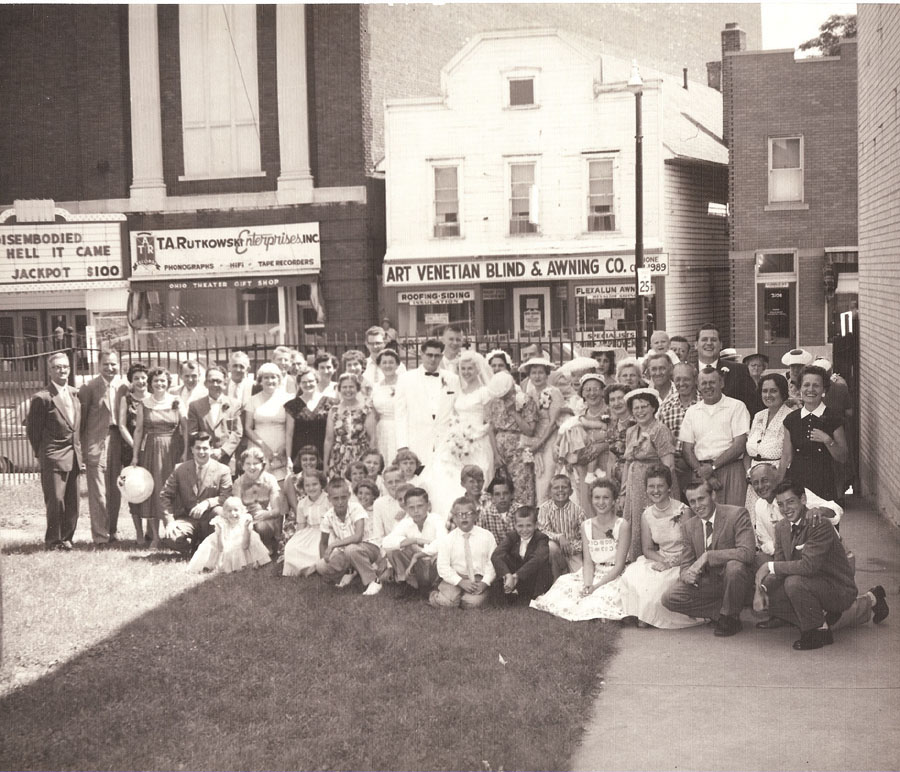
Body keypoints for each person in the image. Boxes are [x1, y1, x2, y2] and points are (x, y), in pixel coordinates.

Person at [755, 480, 888, 649]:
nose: (786, 509)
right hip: (811, 585)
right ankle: (828, 617)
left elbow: (808, 566)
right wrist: (761, 589)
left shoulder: (819, 524)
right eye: (781, 504)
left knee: (793, 583)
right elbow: (782, 566)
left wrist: (768, 566)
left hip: (836, 587)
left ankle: (819, 631)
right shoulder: (781, 527)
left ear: (803, 499)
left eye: (790, 502)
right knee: (777, 591)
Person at [661, 480, 755, 636]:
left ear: (713, 495)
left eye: (701, 498)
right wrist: (687, 575)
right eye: (692, 501)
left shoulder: (737, 514)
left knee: (734, 567)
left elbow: (747, 553)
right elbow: (686, 564)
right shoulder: (689, 526)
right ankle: (724, 612)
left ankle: (729, 617)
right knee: (669, 598)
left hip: (734, 579)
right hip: (707, 582)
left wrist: (708, 556)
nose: (697, 505)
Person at [617, 466, 704, 628]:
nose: (655, 490)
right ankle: (638, 614)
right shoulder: (647, 514)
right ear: (646, 489)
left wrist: (671, 563)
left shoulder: (683, 511)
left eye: (660, 486)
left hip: (683, 561)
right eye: (651, 486)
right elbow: (648, 549)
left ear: (669, 488)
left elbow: (691, 547)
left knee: (657, 588)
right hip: (661, 557)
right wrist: (663, 560)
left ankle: (648, 616)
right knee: (632, 575)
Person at [530, 479, 629, 621]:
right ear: (591, 499)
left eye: (606, 497)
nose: (601, 502)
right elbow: (588, 562)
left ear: (614, 500)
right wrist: (588, 584)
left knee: (597, 599)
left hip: (614, 575)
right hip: (594, 572)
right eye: (597, 497)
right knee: (564, 585)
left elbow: (619, 565)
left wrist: (596, 586)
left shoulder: (622, 525)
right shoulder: (586, 525)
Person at [419, 350, 494, 519]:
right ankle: (447, 514)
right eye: (463, 369)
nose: (466, 372)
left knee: (475, 478)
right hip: (456, 440)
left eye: (470, 369)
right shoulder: (459, 391)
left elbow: (489, 422)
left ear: (478, 370)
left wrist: (473, 435)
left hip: (478, 440)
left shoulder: (485, 392)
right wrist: (456, 435)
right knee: (443, 473)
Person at [26, 352, 82, 551]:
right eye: (57, 367)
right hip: (53, 455)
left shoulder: (75, 393)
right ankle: (53, 540)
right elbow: (33, 430)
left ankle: (67, 538)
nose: (62, 370)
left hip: (73, 454)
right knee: (56, 500)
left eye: (65, 366)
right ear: (50, 370)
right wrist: (43, 453)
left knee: (73, 501)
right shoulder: (42, 398)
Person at [131, 367, 186, 548]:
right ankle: (155, 536)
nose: (159, 384)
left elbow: (184, 429)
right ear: (150, 383)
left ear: (168, 383)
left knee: (173, 490)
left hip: (173, 449)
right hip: (152, 451)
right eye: (156, 381)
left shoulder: (177, 401)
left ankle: (174, 533)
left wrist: (185, 452)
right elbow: (139, 430)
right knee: (154, 490)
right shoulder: (144, 404)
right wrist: (135, 456)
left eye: (163, 380)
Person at [680, 367, 750, 507]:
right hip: (701, 472)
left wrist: (712, 467)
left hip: (731, 470)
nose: (708, 387)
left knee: (734, 516)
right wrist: (704, 472)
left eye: (712, 382)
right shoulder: (692, 412)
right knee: (704, 518)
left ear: (721, 383)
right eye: (704, 383)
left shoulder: (736, 406)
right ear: (698, 386)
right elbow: (687, 450)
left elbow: (739, 445)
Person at [621, 387, 677, 561]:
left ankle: (653, 560)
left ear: (653, 407)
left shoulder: (660, 430)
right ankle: (634, 560)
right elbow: (628, 462)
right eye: (636, 408)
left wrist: (659, 489)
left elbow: (668, 465)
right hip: (634, 484)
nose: (640, 411)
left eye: (644, 406)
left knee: (652, 521)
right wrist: (623, 492)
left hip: (653, 484)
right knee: (634, 521)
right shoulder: (631, 431)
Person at [747, 463, 842, 561]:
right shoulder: (759, 505)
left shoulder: (793, 494)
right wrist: (784, 553)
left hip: (816, 555)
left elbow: (835, 509)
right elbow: (765, 540)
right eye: (755, 483)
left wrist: (819, 511)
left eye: (765, 480)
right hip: (785, 556)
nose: (760, 486)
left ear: (775, 477)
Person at [781, 365, 849, 502]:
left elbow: (843, 457)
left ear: (824, 389)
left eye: (816, 385)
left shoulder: (833, 418)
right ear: (800, 388)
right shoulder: (791, 419)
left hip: (824, 486)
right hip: (796, 486)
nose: (810, 390)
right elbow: (786, 457)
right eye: (806, 385)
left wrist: (827, 440)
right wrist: (778, 486)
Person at [79, 349, 125, 545]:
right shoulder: (89, 387)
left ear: (119, 365)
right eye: (106, 364)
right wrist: (83, 448)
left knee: (115, 488)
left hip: (117, 439)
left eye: (113, 364)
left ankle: (112, 531)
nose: (110, 367)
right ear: (99, 365)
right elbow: (80, 422)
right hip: (96, 441)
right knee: (98, 490)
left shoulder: (124, 387)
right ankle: (100, 535)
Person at [160, 432, 233, 556]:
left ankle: (210, 547)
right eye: (198, 448)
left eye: (205, 448)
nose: (201, 452)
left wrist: (208, 503)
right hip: (188, 519)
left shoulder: (223, 470)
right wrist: (170, 522)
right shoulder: (180, 469)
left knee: (221, 514)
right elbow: (165, 495)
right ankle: (193, 549)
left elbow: (226, 496)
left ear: (211, 449)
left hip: (211, 519)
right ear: (192, 450)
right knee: (170, 537)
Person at [395, 339, 460, 469]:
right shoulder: (406, 379)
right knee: (419, 481)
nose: (433, 359)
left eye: (437, 356)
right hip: (417, 442)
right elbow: (400, 415)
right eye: (429, 355)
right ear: (422, 355)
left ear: (441, 356)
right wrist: (402, 445)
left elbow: (456, 411)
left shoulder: (452, 379)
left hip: (445, 443)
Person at [314, 477, 383, 595]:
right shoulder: (328, 516)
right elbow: (323, 542)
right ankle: (350, 571)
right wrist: (325, 559)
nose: (340, 502)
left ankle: (374, 580)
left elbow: (358, 537)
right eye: (335, 498)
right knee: (320, 566)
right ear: (329, 498)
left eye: (343, 497)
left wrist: (334, 545)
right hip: (347, 551)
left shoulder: (356, 508)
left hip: (369, 548)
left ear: (349, 495)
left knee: (351, 549)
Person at [428, 497, 497, 609]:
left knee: (471, 604)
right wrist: (460, 582)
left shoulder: (487, 536)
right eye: (459, 514)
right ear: (454, 518)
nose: (464, 517)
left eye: (468, 513)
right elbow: (443, 567)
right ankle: (437, 594)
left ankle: (467, 597)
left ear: (476, 515)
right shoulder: (447, 540)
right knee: (447, 603)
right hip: (456, 577)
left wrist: (485, 582)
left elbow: (492, 562)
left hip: (478, 578)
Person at [743, 373, 794, 512]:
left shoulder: (791, 416)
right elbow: (748, 451)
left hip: (776, 482)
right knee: (755, 524)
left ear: (782, 392)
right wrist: (749, 473)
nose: (768, 395)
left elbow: (787, 455)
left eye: (773, 391)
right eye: (765, 391)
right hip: (754, 483)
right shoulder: (759, 416)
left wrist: (777, 483)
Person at [487, 370, 537, 507]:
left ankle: (525, 519)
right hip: (501, 450)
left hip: (519, 449)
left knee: (522, 486)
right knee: (503, 489)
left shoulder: (525, 401)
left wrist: (513, 412)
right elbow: (491, 429)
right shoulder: (493, 403)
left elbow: (530, 430)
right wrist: (496, 455)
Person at [382, 487, 445, 595]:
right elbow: (386, 542)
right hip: (416, 567)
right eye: (411, 507)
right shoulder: (406, 523)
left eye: (420, 506)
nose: (416, 511)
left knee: (440, 555)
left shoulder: (436, 519)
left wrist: (419, 554)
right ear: (406, 508)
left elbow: (443, 542)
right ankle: (408, 584)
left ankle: (435, 587)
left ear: (428, 505)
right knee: (393, 551)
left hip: (433, 565)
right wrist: (413, 540)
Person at [188, 496, 271, 573]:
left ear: (242, 511)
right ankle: (219, 564)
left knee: (251, 538)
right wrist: (220, 533)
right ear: (224, 513)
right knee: (213, 543)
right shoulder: (222, 523)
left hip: (243, 542)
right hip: (224, 545)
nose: (232, 513)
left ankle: (247, 563)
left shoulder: (245, 521)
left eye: (236, 510)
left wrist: (246, 529)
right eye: (229, 510)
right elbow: (221, 548)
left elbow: (245, 546)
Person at [520, 357, 563, 503]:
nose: (537, 376)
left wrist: (540, 444)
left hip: (549, 439)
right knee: (533, 479)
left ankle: (545, 511)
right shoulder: (529, 394)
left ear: (547, 374)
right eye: (533, 373)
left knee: (545, 479)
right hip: (533, 439)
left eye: (541, 373)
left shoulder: (553, 392)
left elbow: (553, 422)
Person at [695, 323, 761, 416]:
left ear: (721, 345)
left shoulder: (739, 371)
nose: (709, 343)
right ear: (696, 345)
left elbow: (753, 406)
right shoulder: (687, 372)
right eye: (704, 339)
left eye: (713, 340)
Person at [491, 506, 552, 605]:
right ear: (515, 526)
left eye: (529, 525)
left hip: (532, 578)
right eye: (520, 526)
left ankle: (537, 595)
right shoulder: (512, 536)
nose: (524, 530)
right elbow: (496, 555)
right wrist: (508, 575)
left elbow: (539, 558)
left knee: (541, 563)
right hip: (514, 578)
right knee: (502, 558)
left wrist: (516, 576)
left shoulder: (541, 538)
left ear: (536, 525)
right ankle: (508, 592)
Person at [657, 362, 699, 499]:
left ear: (695, 379)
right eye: (678, 379)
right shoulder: (666, 406)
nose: (682, 383)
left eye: (686, 379)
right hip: (675, 466)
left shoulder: (704, 402)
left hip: (698, 464)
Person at [118, 362, 150, 542]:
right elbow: (122, 425)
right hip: (131, 451)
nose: (140, 381)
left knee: (152, 489)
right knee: (134, 490)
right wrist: (135, 447)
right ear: (131, 380)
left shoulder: (153, 398)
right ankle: (139, 533)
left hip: (151, 450)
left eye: (143, 378)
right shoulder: (126, 399)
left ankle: (152, 532)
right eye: (136, 378)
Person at [187, 365, 243, 466]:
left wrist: (222, 451)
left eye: (218, 381)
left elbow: (237, 433)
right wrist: (205, 449)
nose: (215, 384)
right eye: (211, 381)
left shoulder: (234, 405)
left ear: (225, 383)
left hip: (228, 458)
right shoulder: (195, 406)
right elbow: (193, 432)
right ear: (205, 383)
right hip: (203, 458)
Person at [323, 373, 375, 480]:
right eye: (344, 387)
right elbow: (328, 439)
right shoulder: (334, 411)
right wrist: (325, 464)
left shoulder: (366, 410)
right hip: (339, 456)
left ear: (357, 388)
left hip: (360, 455)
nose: (348, 390)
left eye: (351, 387)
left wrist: (371, 461)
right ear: (339, 389)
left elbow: (373, 438)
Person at [231, 446, 282, 556]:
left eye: (255, 463)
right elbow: (237, 508)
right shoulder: (238, 483)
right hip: (246, 519)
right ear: (242, 466)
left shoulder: (270, 480)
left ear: (263, 465)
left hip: (266, 520)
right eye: (248, 463)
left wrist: (267, 513)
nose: (252, 467)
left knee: (262, 526)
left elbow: (278, 510)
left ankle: (268, 544)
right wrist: (247, 518)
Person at [244, 363, 290, 482]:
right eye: (266, 377)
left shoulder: (288, 399)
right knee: (260, 484)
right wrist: (264, 447)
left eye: (273, 377)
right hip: (258, 447)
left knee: (282, 485)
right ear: (260, 380)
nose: (270, 380)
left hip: (281, 448)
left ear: (279, 379)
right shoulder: (252, 400)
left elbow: (292, 427)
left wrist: (284, 446)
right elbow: (248, 428)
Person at [537, 475, 586, 580]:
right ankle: (557, 578)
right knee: (551, 547)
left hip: (573, 551)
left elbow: (584, 536)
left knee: (579, 579)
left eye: (564, 487)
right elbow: (543, 531)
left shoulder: (578, 510)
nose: (560, 490)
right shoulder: (544, 509)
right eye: (556, 487)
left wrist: (571, 547)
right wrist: (559, 537)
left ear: (571, 491)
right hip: (555, 552)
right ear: (550, 492)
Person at [282, 470, 331, 576]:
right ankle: (302, 568)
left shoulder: (328, 500)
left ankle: (315, 567)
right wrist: (295, 540)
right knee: (291, 548)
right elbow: (301, 526)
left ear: (321, 484)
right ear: (303, 487)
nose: (311, 488)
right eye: (307, 485)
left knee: (318, 550)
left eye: (314, 484)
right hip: (309, 532)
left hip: (326, 533)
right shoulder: (302, 503)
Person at [284, 367, 333, 464]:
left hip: (324, 454)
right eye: (304, 382)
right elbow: (289, 435)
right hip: (300, 456)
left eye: (311, 381)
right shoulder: (292, 405)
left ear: (317, 381)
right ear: (299, 384)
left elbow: (331, 435)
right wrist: (289, 458)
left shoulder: (330, 402)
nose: (308, 384)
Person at [370, 348, 402, 466]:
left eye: (391, 362)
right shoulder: (376, 387)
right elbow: (373, 412)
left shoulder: (405, 384)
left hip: (400, 427)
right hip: (381, 429)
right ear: (379, 365)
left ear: (397, 364)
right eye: (384, 362)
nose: (387, 365)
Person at [604, 383, 635, 492]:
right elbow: (611, 458)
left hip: (633, 479)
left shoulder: (637, 423)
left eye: (620, 398)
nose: (616, 403)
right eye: (612, 400)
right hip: (616, 481)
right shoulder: (612, 426)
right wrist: (608, 486)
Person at [479, 474, 525, 544]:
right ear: (492, 497)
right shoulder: (485, 515)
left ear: (511, 494)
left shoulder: (521, 511)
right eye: (497, 494)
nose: (502, 497)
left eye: (505, 493)